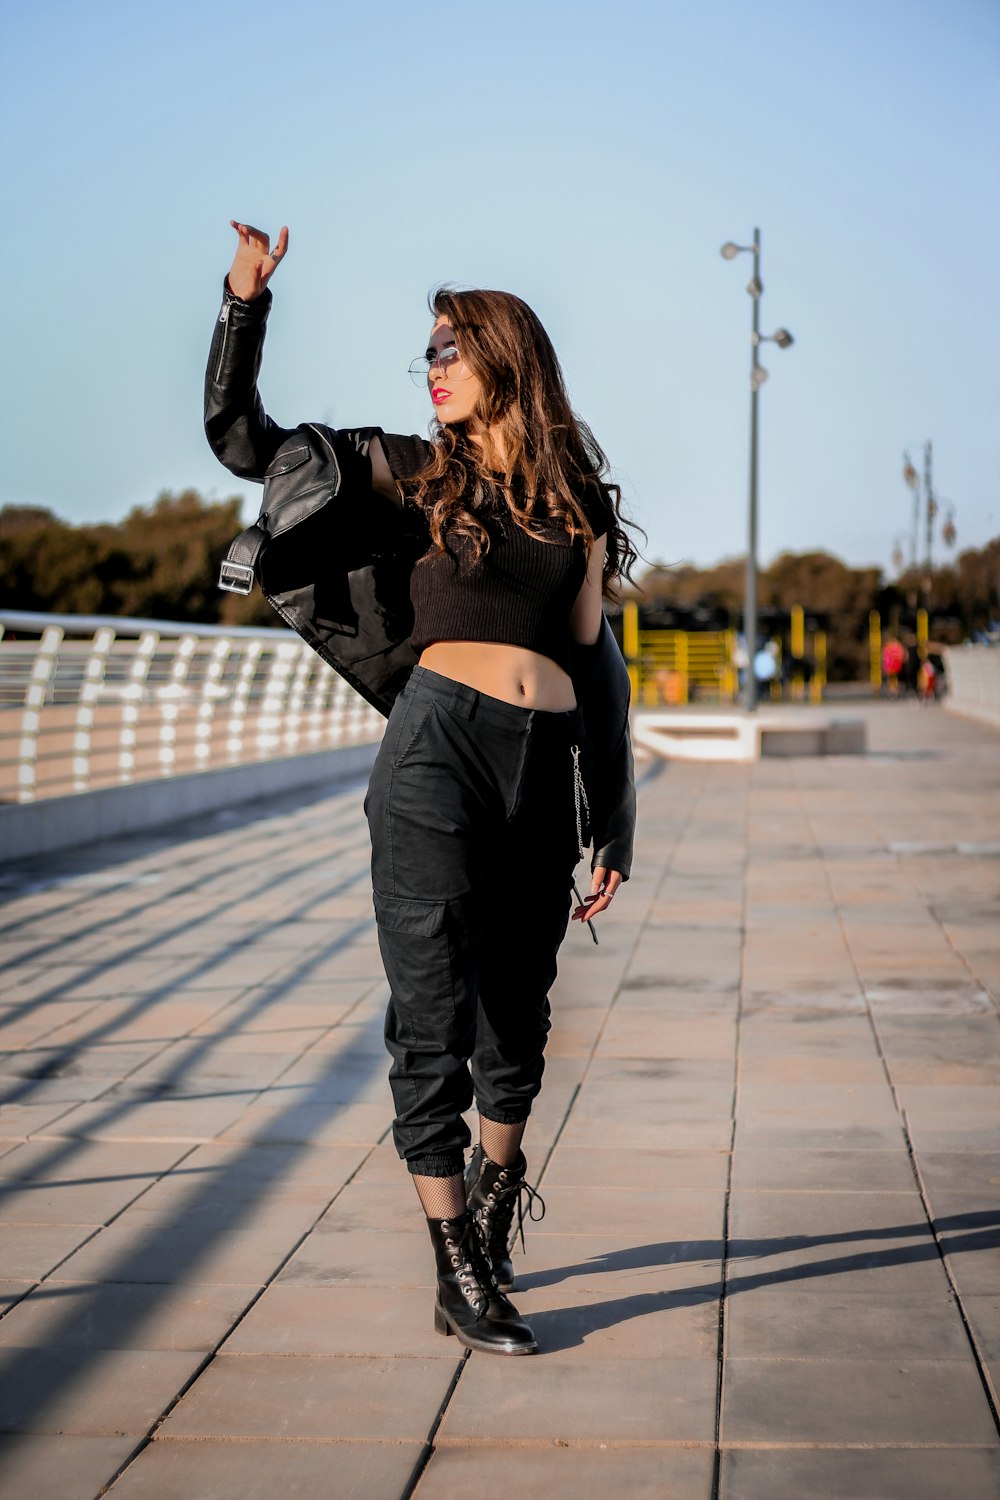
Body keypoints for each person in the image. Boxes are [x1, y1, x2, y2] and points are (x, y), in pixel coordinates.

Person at [206, 222, 638, 1357]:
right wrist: (244, 302)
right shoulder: (411, 470)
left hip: (541, 767)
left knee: (521, 1021)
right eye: (427, 350)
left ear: (506, 356)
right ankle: (456, 1263)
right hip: (434, 753)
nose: (434, 364)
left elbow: (596, 663)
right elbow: (244, 440)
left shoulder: (572, 502)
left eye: (451, 345)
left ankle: (498, 1192)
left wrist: (616, 813)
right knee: (434, 1011)